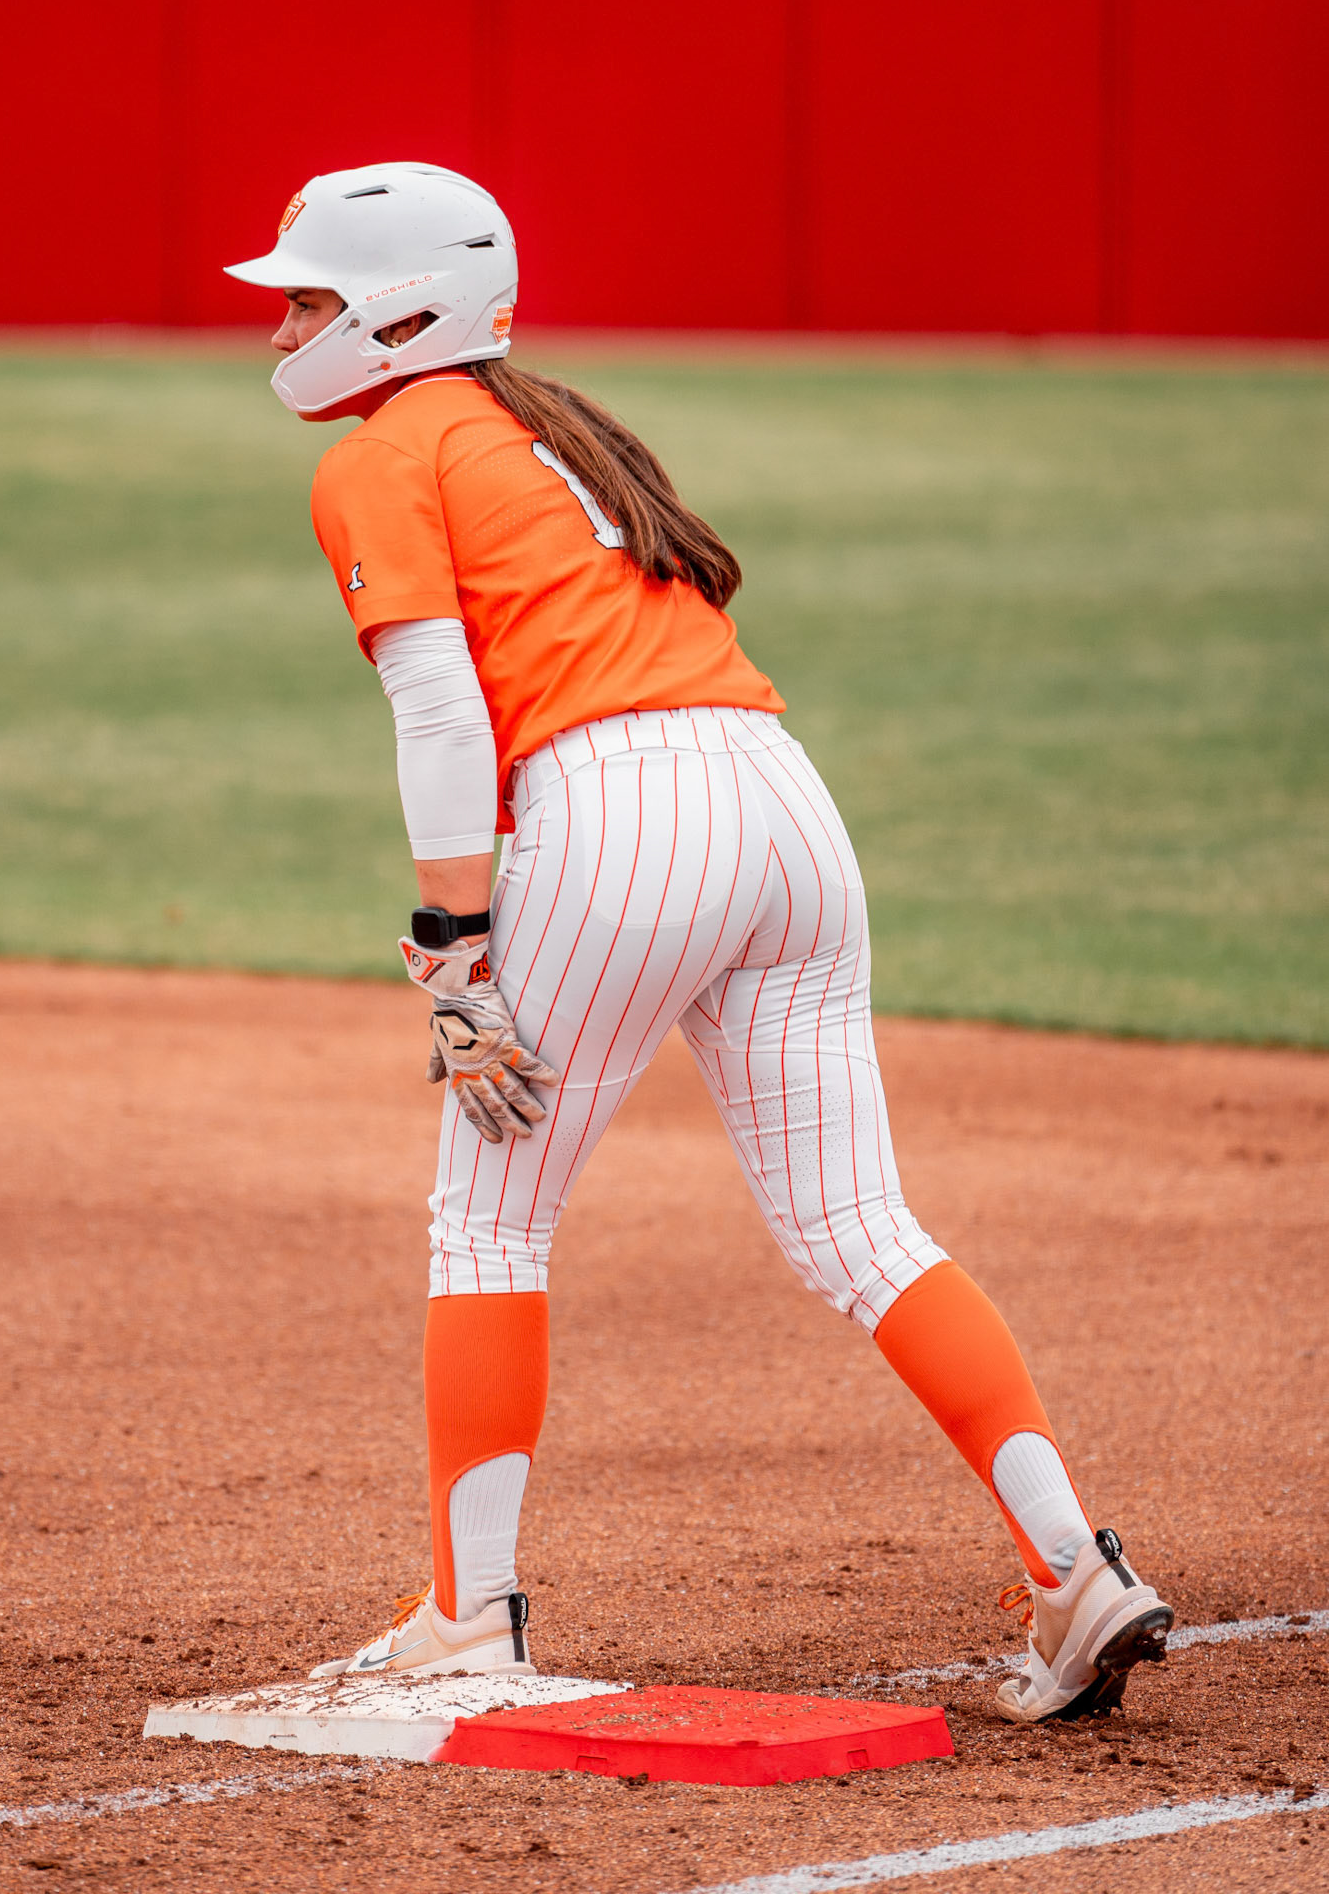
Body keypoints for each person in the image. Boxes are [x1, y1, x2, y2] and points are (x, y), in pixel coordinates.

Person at [223, 162, 1173, 1725]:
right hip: (781, 805)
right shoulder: (553, 418)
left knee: (488, 1226)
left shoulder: (387, 454)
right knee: (861, 1228)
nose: (283, 330)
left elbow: (444, 713)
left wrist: (451, 944)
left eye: (309, 300)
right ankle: (1073, 1568)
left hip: (619, 819)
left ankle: (469, 1620)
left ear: (399, 315)